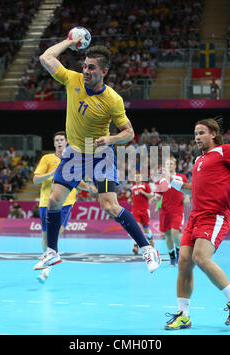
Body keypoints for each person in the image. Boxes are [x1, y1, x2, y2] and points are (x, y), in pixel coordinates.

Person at [34, 38, 161, 273]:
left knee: (110, 206)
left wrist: (110, 139)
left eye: (91, 68)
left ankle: (147, 248)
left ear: (104, 71)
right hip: (74, 153)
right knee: (54, 200)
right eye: (84, 66)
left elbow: (129, 133)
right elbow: (45, 58)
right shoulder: (72, 79)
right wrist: (69, 41)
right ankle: (52, 252)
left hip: (100, 154)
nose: (86, 71)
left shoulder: (113, 99)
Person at [164, 117, 230, 330]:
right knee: (184, 261)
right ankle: (183, 315)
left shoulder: (226, 150)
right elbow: (196, 189)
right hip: (196, 216)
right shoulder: (198, 161)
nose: (197, 137)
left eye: (201, 133)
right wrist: (176, 184)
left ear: (213, 134)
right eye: (195, 134)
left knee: (200, 257)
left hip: (214, 215)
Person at [33, 131, 96, 283]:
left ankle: (47, 269)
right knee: (45, 240)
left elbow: (76, 180)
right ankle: (49, 258)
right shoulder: (46, 159)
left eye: (62, 140)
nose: (60, 142)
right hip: (46, 203)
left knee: (56, 234)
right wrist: (54, 173)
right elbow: (35, 180)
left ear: (66, 142)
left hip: (66, 202)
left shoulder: (72, 159)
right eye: (57, 140)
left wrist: (87, 188)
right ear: (54, 143)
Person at [153, 157, 189, 267]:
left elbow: (187, 190)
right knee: (168, 235)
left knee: (175, 233)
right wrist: (154, 199)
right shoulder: (161, 181)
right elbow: (158, 196)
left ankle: (179, 252)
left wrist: (187, 197)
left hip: (177, 210)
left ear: (175, 166)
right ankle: (172, 258)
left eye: (172, 164)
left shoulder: (181, 178)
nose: (170, 166)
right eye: (168, 164)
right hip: (165, 212)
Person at [130, 172, 154, 255]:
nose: (137, 178)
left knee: (146, 229)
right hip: (135, 210)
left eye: (139, 177)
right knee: (136, 227)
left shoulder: (145, 185)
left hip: (144, 210)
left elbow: (151, 196)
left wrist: (143, 192)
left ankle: (151, 241)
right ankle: (136, 246)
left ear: (141, 178)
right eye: (136, 177)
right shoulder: (132, 187)